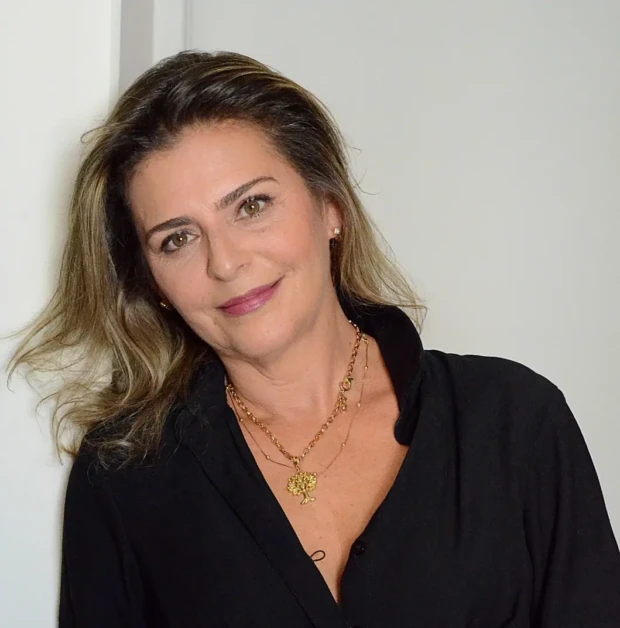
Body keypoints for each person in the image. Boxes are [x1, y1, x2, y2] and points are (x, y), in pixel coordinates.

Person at [8, 50, 620, 628]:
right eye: (178, 238)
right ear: (153, 283)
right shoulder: (123, 477)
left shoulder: (513, 420)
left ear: (330, 206)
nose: (226, 262)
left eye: (252, 206)